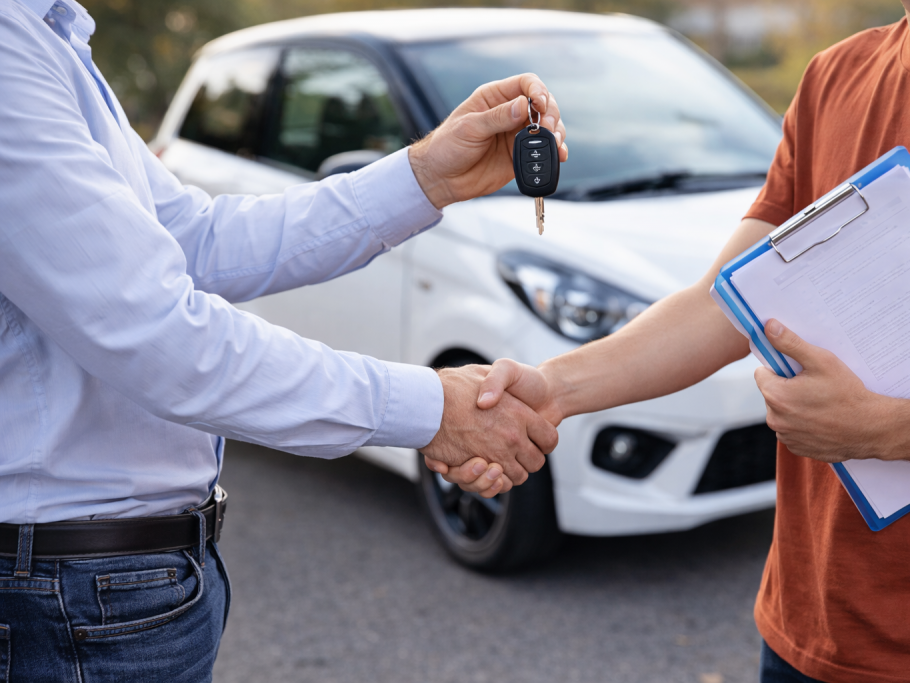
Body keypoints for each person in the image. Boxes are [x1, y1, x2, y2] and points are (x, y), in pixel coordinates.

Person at [436, 0, 910, 680]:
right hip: (803, 628)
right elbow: (722, 304)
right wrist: (554, 388)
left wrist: (883, 428)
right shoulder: (836, 76)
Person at [0, 0, 566, 680]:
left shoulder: (46, 37)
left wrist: (424, 176)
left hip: (110, 580)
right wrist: (432, 409)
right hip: (71, 592)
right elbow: (155, 333)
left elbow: (196, 238)